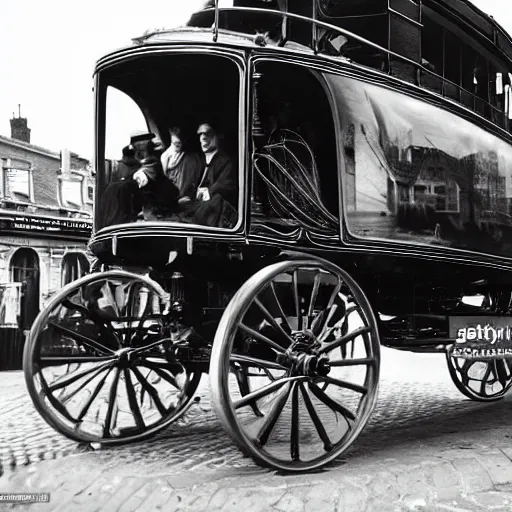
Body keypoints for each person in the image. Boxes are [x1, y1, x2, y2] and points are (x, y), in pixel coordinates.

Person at [184, 122, 238, 227]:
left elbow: (228, 185)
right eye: (200, 134)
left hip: (212, 211)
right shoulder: (195, 160)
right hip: (194, 207)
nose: (203, 138)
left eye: (208, 133)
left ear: (218, 136)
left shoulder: (226, 161)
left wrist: (210, 190)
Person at [160, 127, 202, 205]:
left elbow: (196, 178)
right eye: (175, 143)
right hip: (173, 198)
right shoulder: (166, 156)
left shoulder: (192, 158)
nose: (179, 145)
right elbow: (164, 181)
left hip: (188, 197)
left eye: (180, 143)